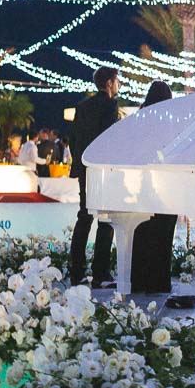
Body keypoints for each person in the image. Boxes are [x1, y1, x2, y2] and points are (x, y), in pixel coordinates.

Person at [68, 66, 122, 288]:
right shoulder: (110, 106)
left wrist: (80, 165)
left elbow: (74, 139)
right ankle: (100, 273)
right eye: (117, 81)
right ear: (109, 83)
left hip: (84, 169)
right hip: (103, 170)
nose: (118, 85)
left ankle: (77, 272)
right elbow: (109, 140)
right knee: (106, 219)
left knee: (84, 217)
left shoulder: (82, 107)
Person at [129, 81, 177, 294]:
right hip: (166, 185)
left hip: (142, 185)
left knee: (142, 232)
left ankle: (139, 281)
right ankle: (160, 282)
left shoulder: (139, 121)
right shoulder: (168, 123)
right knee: (164, 232)